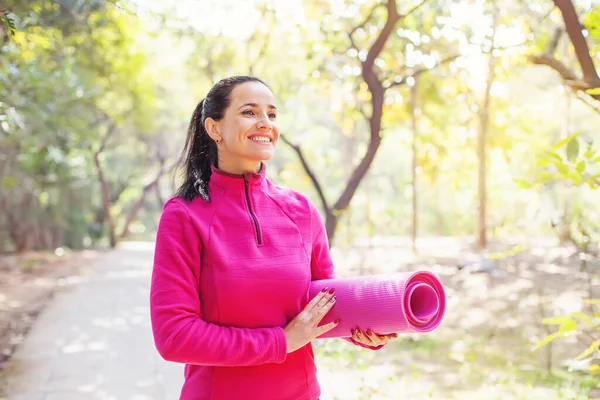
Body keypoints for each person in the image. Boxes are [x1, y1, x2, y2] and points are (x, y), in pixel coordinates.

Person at [149, 76, 397, 400]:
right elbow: (175, 336)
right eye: (250, 112)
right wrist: (281, 342)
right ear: (214, 128)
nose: (265, 123)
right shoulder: (184, 215)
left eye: (272, 114)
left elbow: (327, 301)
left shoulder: (300, 210)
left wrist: (363, 328)